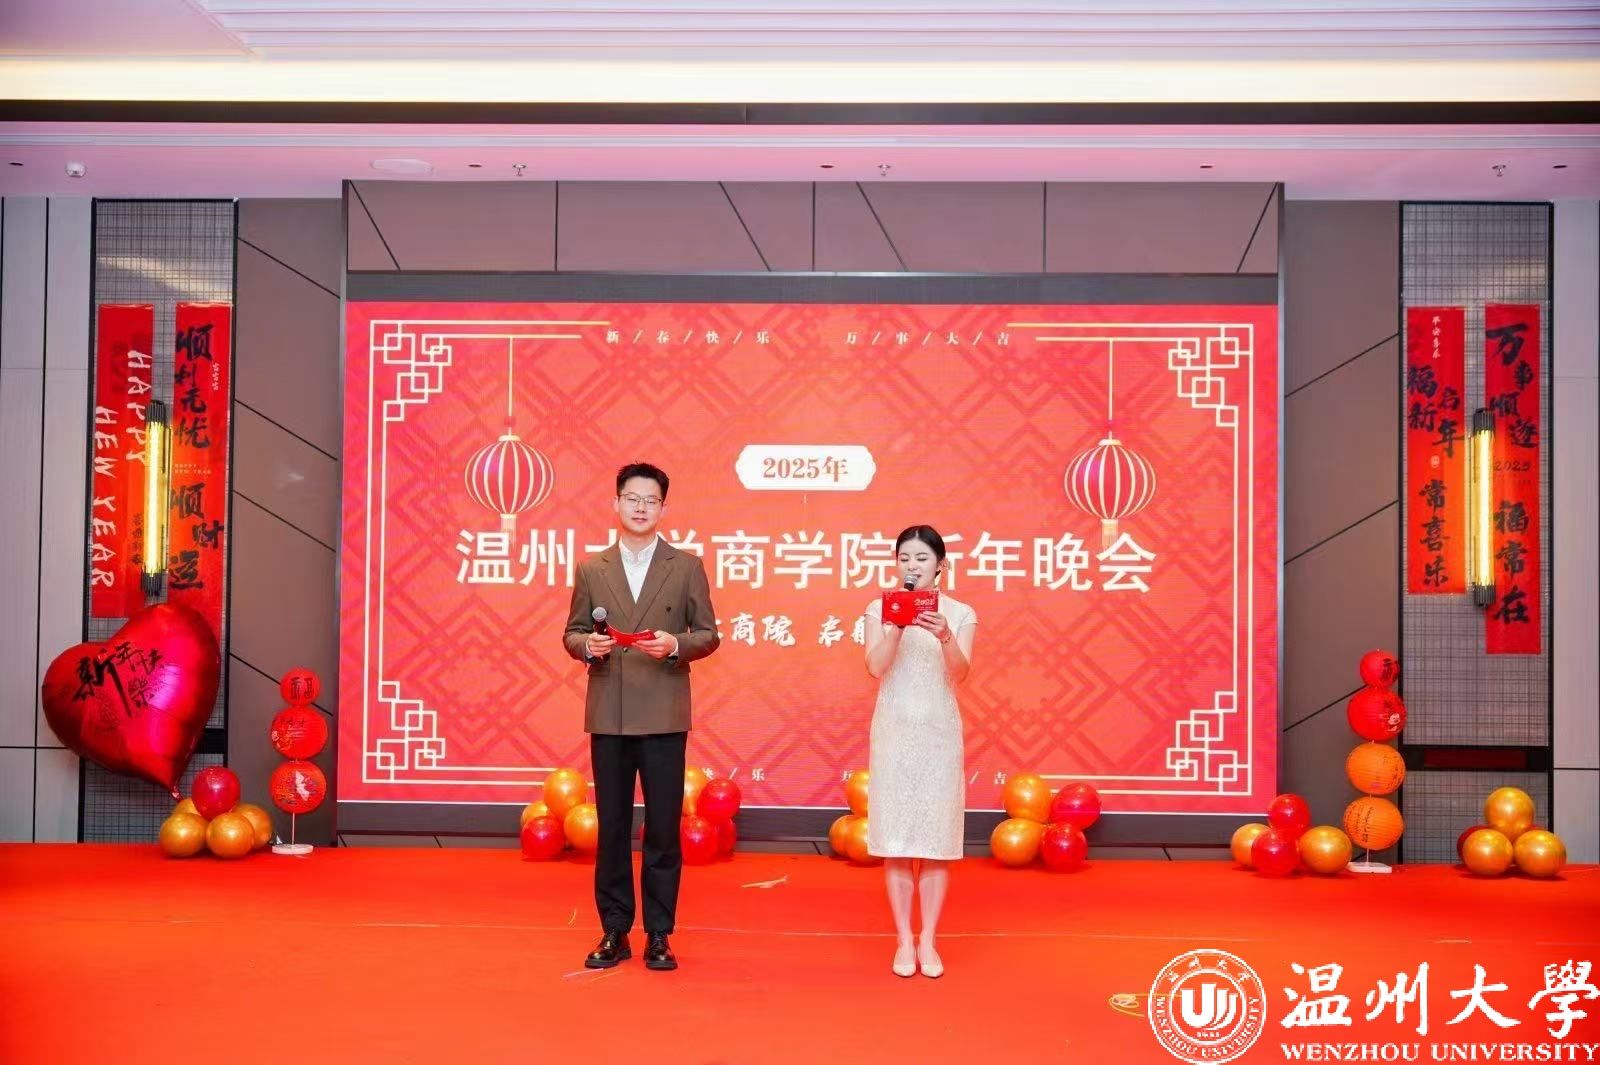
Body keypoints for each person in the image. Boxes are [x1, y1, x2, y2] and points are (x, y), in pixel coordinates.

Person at [563, 462, 720, 971]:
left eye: (651, 500)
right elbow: (572, 632)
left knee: (662, 829)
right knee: (611, 827)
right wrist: (587, 646)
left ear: (663, 509)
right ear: (616, 504)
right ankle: (614, 929)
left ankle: (658, 933)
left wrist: (675, 644)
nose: (640, 508)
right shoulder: (592, 568)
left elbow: (708, 634)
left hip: (664, 712)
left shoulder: (686, 565)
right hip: (609, 712)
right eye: (632, 498)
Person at [862, 525, 977, 979]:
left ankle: (928, 938)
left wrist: (945, 635)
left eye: (922, 558)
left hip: (938, 733)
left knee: (934, 841)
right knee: (895, 840)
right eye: (905, 558)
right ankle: (903, 939)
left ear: (941, 565)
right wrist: (894, 628)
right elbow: (875, 667)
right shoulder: (879, 608)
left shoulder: (960, 613)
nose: (912, 566)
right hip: (893, 731)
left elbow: (961, 674)